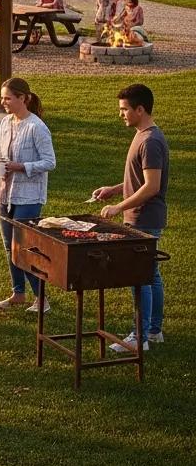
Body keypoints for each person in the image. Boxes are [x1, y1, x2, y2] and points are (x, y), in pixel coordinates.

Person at [92, 84, 169, 352]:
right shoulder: (142, 135)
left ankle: (140, 338)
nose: (121, 114)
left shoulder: (150, 141)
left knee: (139, 277)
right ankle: (154, 331)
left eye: (125, 110)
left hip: (144, 218)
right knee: (151, 275)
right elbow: (138, 180)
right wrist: (114, 190)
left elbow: (151, 186)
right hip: (143, 216)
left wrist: (117, 207)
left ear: (140, 109)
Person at [0, 77, 56, 313]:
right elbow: (5, 153)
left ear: (22, 98)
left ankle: (42, 298)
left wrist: (22, 166)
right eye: (2, 97)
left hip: (28, 195)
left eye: (7, 98)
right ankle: (18, 293)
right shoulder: (6, 122)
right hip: (4, 192)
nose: (3, 101)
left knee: (23, 248)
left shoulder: (37, 127)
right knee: (9, 247)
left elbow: (50, 162)